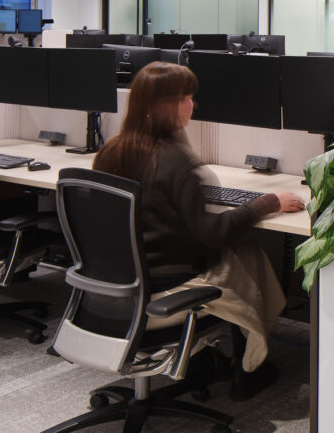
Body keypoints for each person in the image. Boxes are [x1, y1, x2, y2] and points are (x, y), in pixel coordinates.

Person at [91, 61, 305, 400]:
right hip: (162, 289)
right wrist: (266, 203)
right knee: (244, 254)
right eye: (186, 98)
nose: (194, 105)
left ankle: (227, 359)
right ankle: (249, 368)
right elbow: (212, 234)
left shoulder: (110, 151)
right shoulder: (177, 161)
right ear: (165, 106)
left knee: (241, 254)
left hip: (111, 287)